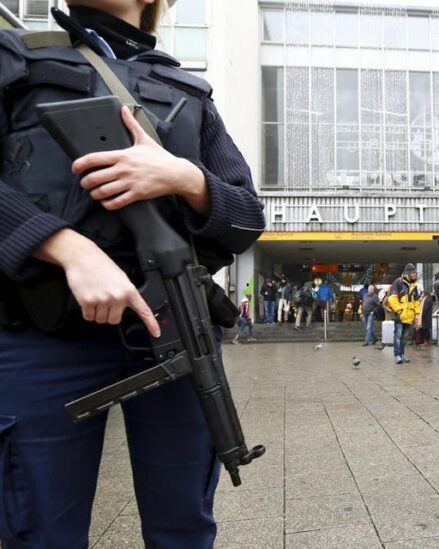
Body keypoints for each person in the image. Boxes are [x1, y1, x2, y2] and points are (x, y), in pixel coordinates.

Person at [0, 1, 265, 547]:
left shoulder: (187, 90)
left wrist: (187, 178)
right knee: (39, 530)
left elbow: (246, 217)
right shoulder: (16, 58)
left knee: (183, 529)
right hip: (43, 332)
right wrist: (65, 247)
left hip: (172, 328)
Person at [386, 263, 421, 364]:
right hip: (399, 316)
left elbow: (417, 301)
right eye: (413, 273)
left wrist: (417, 314)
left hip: (409, 316)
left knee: (405, 337)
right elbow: (392, 298)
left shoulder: (414, 285)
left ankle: (401, 354)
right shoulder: (398, 282)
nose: (415, 274)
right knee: (398, 335)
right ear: (407, 273)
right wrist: (400, 311)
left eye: (415, 272)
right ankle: (397, 355)